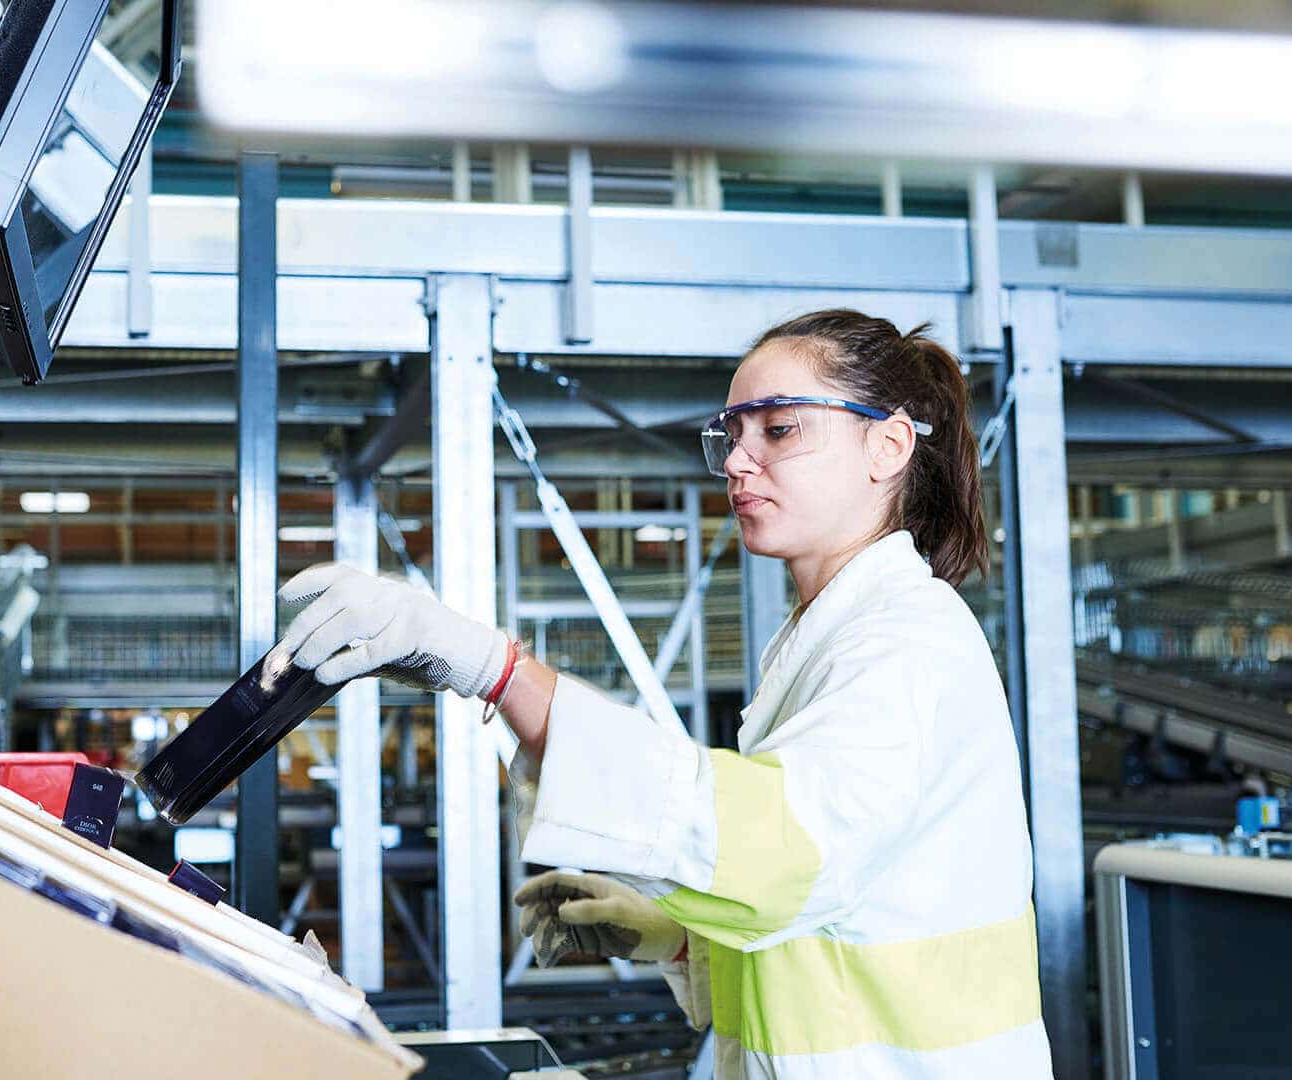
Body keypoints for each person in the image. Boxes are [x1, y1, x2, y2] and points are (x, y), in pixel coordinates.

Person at [271, 310, 1051, 1079]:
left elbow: (784, 856)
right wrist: (676, 939)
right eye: (733, 436)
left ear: (887, 445)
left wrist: (497, 671)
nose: (739, 463)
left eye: (778, 430)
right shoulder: (828, 636)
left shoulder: (908, 641)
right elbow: (838, 923)